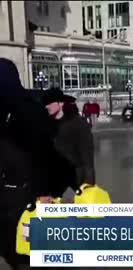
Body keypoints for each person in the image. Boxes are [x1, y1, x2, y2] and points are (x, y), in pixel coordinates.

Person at [0, 58, 75, 270]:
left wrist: (44, 193)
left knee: (26, 252)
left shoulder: (29, 110)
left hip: (27, 192)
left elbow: (44, 154)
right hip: (7, 193)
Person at [43, 88, 96, 188]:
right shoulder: (45, 124)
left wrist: (89, 186)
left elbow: (87, 158)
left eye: (50, 103)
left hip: (75, 178)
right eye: (45, 103)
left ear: (61, 103)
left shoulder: (78, 123)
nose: (46, 106)